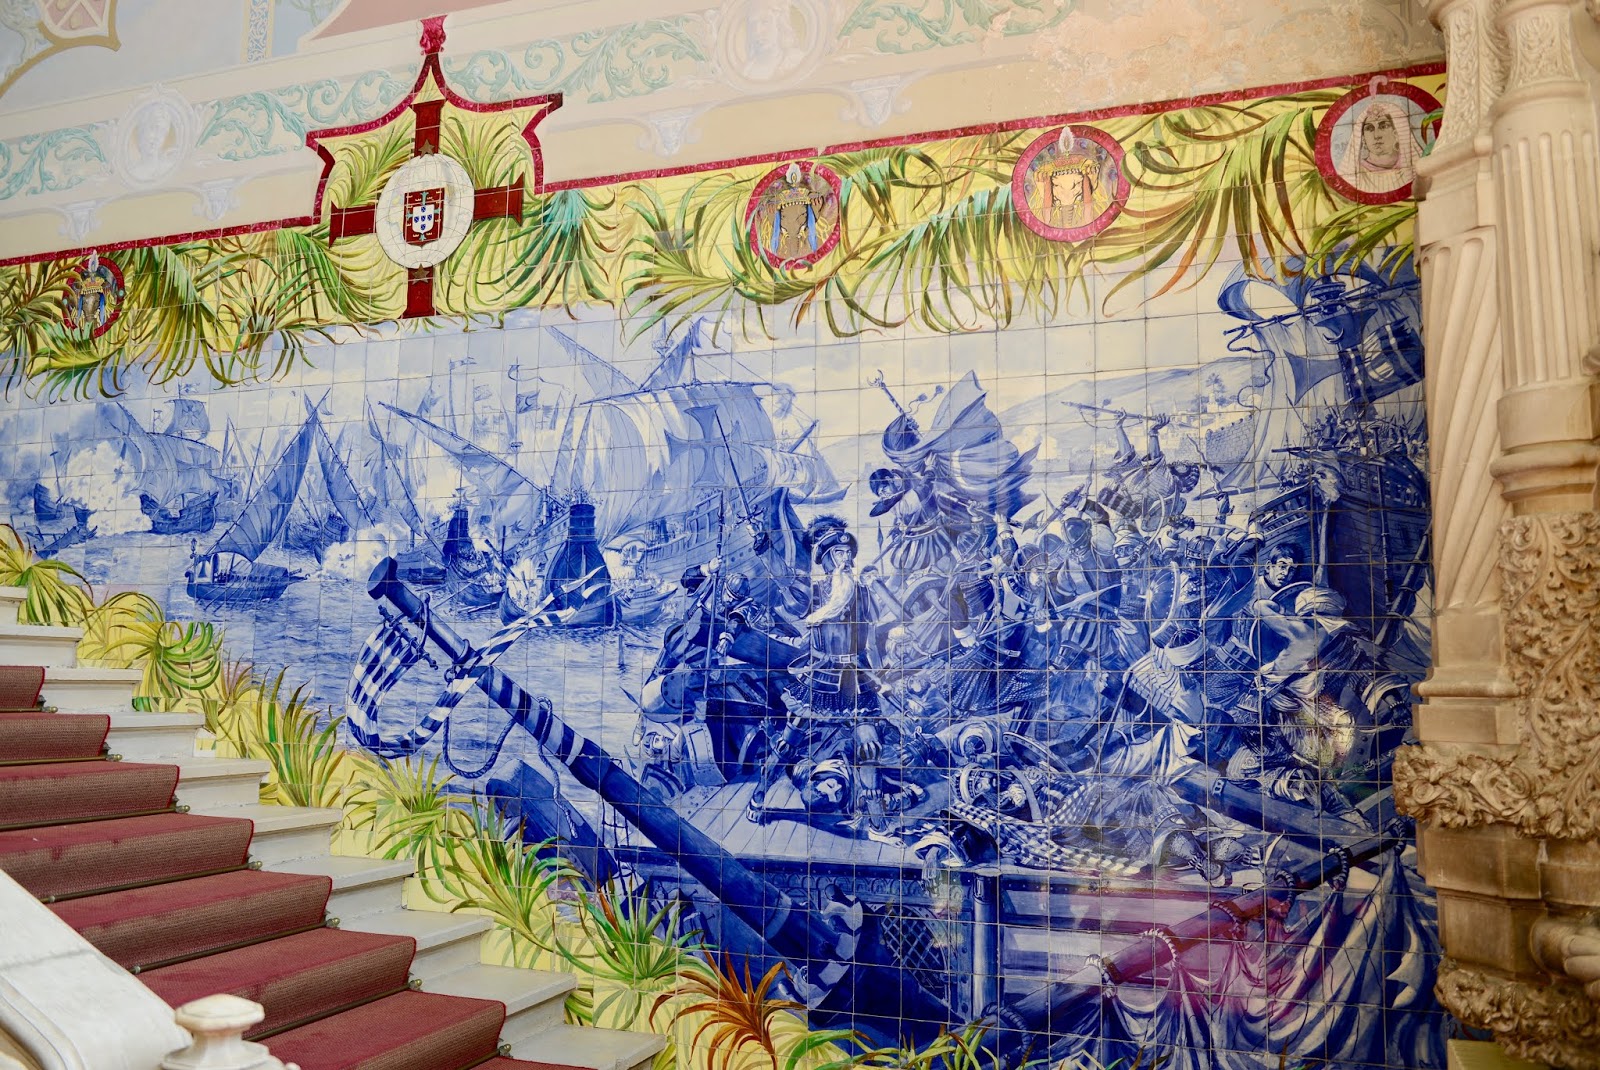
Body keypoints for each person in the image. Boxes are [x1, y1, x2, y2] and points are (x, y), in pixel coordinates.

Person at [1336, 97, 1424, 195]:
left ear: (1397, 133)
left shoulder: (1413, 169)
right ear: (1363, 138)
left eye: (1384, 126)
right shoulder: (1353, 175)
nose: (1376, 135)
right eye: (1369, 129)